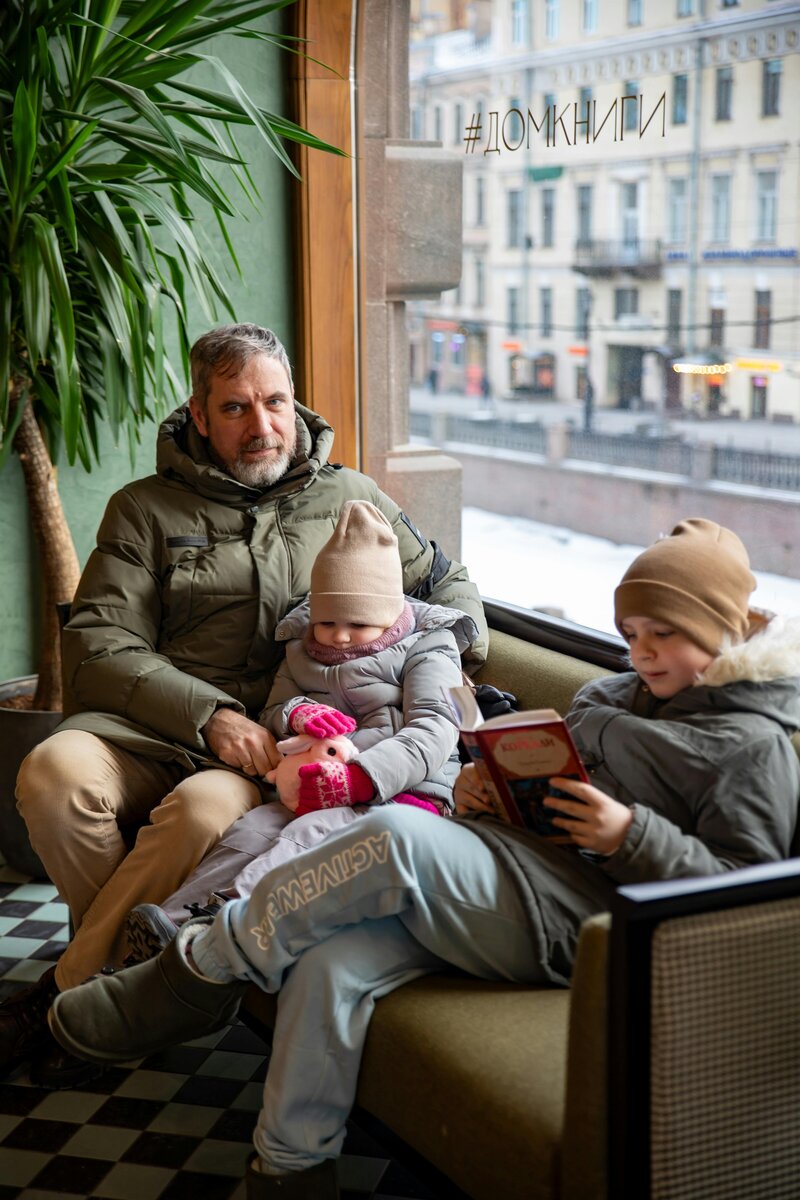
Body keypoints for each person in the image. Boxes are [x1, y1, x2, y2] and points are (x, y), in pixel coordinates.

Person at [48, 519, 800, 1199]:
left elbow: (745, 900)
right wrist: (488, 792)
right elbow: (552, 789)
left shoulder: (753, 743)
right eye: (631, 630)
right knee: (327, 964)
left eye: (663, 634)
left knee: (392, 838)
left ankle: (200, 968)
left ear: (724, 632)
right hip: (512, 871)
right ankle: (289, 1171)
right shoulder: (610, 695)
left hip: (586, 925)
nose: (641, 651)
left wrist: (627, 835)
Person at [1, 324, 487, 1089]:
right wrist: (208, 715)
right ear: (198, 412)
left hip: (280, 746)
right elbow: (96, 644)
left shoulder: (353, 498)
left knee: (199, 814)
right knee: (52, 774)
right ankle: (131, 982)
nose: (261, 426)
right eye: (234, 408)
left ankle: (72, 994)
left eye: (276, 402)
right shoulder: (142, 510)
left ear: (296, 403)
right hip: (152, 726)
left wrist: (439, 665)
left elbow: (449, 589)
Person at [123, 498, 476, 959]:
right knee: (250, 831)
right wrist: (297, 713)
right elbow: (272, 711)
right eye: (328, 621)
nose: (340, 636)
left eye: (359, 623)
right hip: (311, 787)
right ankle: (169, 926)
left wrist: (359, 778)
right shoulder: (301, 646)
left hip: (408, 794)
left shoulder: (428, 647)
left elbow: (435, 728)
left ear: (391, 613)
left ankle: (219, 923)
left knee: (302, 839)